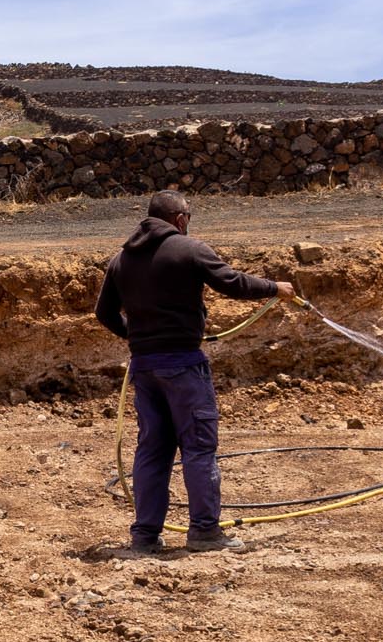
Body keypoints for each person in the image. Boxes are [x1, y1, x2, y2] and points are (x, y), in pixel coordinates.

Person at [93, 191, 293, 554]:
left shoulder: (120, 260)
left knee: (153, 450)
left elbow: (104, 314)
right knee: (199, 448)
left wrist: (138, 336)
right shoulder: (189, 249)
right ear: (180, 218)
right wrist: (275, 288)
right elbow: (231, 282)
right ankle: (204, 532)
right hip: (183, 365)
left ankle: (145, 537)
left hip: (145, 366)